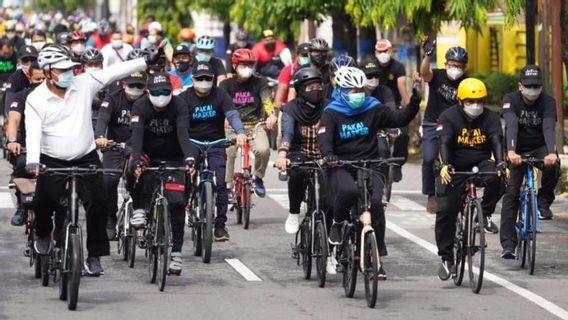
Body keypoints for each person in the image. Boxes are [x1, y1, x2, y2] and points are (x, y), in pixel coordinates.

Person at [25, 44, 158, 276]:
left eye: (69, 68)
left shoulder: (83, 84)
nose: (68, 73)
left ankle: (94, 256)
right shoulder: (36, 99)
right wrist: (34, 162)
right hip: (51, 159)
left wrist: (145, 61)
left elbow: (114, 72)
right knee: (43, 203)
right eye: (61, 69)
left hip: (85, 157)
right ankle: (44, 234)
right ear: (47, 72)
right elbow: (33, 132)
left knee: (98, 203)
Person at [318, 66, 421, 279]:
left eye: (359, 90)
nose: (357, 94)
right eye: (351, 90)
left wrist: (415, 100)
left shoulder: (373, 107)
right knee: (348, 192)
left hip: (370, 163)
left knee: (376, 204)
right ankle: (337, 224)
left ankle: (376, 257)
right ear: (341, 90)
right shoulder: (331, 112)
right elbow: (324, 140)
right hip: (341, 165)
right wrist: (329, 155)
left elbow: (400, 119)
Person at [435, 78, 505, 280]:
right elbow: (445, 142)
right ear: (460, 101)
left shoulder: (490, 117)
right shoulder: (448, 117)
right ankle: (446, 258)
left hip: (480, 163)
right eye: (470, 102)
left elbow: (496, 141)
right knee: (447, 209)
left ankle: (484, 214)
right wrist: (446, 165)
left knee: (498, 178)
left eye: (480, 101)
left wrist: (500, 162)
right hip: (453, 166)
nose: (476, 106)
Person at [127, 72, 193, 275]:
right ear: (148, 92)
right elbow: (136, 138)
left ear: (171, 92)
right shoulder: (140, 106)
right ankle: (139, 208)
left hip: (174, 157)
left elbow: (183, 133)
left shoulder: (180, 105)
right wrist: (137, 159)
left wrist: (189, 157)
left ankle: (176, 254)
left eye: (165, 91)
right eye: (157, 92)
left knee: (176, 203)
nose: (161, 95)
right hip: (148, 153)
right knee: (132, 165)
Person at [179, 62, 247, 241]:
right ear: (193, 80)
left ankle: (220, 225)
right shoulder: (185, 97)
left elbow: (232, 114)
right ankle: (185, 204)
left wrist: (240, 132)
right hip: (192, 142)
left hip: (216, 143)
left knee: (221, 182)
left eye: (207, 78)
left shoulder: (220, 94)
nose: (203, 82)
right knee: (186, 173)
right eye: (199, 78)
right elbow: (181, 124)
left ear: (213, 79)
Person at [499, 65, 560, 259]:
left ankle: (543, 202)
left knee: (554, 166)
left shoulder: (548, 102)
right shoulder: (510, 100)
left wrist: (552, 153)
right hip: (516, 148)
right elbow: (511, 125)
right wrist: (510, 151)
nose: (532, 90)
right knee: (512, 193)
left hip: (539, 146)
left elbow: (549, 127)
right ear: (520, 86)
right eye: (528, 86)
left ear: (541, 87)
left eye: (536, 86)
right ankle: (508, 244)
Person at [275, 67, 329, 233]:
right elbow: (288, 133)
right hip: (300, 152)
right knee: (297, 173)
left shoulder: (329, 106)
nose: (316, 91)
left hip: (325, 154)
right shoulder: (291, 109)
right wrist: (283, 155)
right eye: (310, 88)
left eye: (318, 87)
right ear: (300, 90)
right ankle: (293, 212)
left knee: (332, 185)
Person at [95, 71, 147, 239]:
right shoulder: (113, 98)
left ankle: (145, 213)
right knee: (108, 180)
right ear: (124, 84)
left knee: (144, 179)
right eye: (132, 85)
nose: (136, 89)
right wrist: (100, 137)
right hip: (114, 145)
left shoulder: (148, 100)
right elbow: (102, 118)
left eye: (140, 86)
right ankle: (110, 216)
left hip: (140, 146)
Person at [420, 37, 468, 213]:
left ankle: (462, 193)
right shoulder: (438, 75)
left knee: (460, 158)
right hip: (433, 123)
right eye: (453, 64)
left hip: (456, 127)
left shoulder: (467, 82)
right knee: (428, 158)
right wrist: (427, 55)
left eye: (460, 65)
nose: (456, 68)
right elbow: (425, 73)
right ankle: (431, 194)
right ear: (446, 63)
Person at [221, 49, 276, 198]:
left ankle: (258, 177)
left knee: (264, 150)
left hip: (255, 126)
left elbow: (266, 100)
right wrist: (223, 118)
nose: (247, 68)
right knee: (228, 154)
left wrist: (271, 115)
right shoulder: (225, 85)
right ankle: (227, 186)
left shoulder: (260, 82)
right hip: (231, 127)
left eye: (250, 65)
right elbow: (221, 104)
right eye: (243, 64)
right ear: (234, 65)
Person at [6, 62, 45, 226]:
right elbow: (14, 119)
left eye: (44, 79)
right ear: (30, 78)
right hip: (27, 147)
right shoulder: (21, 96)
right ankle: (22, 207)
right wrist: (13, 141)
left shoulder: (59, 97)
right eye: (37, 79)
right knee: (21, 164)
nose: (41, 83)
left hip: (53, 148)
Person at [374, 39, 411, 182]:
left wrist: (409, 108)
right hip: (374, 107)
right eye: (380, 51)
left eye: (386, 51)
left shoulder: (398, 67)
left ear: (391, 51)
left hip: (394, 107)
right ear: (375, 53)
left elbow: (402, 88)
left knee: (404, 133)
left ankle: (396, 164)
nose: (383, 54)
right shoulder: (371, 67)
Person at [274, 42, 311, 110]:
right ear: (297, 56)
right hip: (288, 106)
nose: (307, 58)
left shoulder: (314, 70)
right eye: (304, 55)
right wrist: (278, 103)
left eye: (309, 55)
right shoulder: (289, 70)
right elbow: (282, 87)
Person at [3, 45, 37, 115]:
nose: (29, 63)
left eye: (33, 60)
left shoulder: (44, 74)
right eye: (25, 60)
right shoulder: (14, 78)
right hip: (21, 113)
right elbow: (9, 105)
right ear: (19, 61)